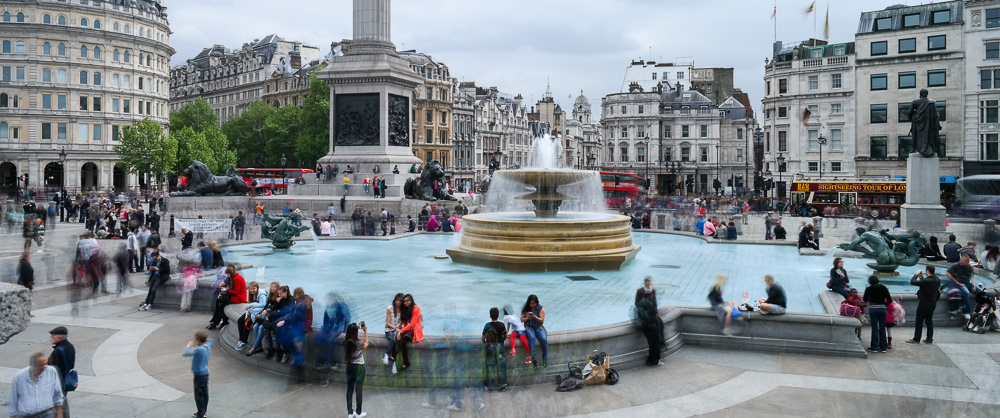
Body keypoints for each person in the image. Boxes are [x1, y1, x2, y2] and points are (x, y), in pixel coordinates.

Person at [6, 352, 64, 418]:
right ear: (33, 365)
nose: (45, 367)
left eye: (46, 363)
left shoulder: (51, 371)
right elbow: (13, 401)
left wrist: (59, 415)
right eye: (41, 365)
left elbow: (58, 395)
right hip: (26, 415)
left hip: (47, 413)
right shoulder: (19, 377)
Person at [182, 331, 214, 418]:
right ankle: (204, 411)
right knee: (204, 393)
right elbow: (210, 340)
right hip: (205, 373)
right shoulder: (207, 347)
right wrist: (200, 341)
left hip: (198, 374)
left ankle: (201, 413)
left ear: (198, 340)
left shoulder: (199, 349)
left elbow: (185, 353)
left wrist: (189, 345)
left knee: (199, 395)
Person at [906, 265, 941, 344]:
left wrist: (916, 274)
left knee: (919, 321)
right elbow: (926, 284)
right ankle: (929, 339)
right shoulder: (937, 280)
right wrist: (921, 277)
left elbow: (913, 282)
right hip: (932, 303)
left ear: (927, 271)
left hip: (924, 303)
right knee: (929, 321)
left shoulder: (927, 281)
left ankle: (916, 338)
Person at [47, 326, 74, 418]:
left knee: (59, 403)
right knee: (63, 400)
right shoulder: (70, 346)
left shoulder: (58, 351)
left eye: (53, 336)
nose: (51, 338)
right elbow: (72, 365)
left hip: (58, 380)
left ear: (59, 337)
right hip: (65, 378)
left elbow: (50, 367)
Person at [344, 323, 369, 418]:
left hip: (349, 367)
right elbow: (366, 344)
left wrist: (356, 328)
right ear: (356, 332)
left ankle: (350, 413)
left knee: (349, 389)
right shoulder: (359, 342)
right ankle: (359, 413)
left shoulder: (346, 341)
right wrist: (365, 331)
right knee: (358, 390)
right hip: (359, 368)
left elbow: (350, 333)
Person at [482, 307, 509, 392]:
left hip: (490, 347)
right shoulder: (501, 325)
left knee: (490, 366)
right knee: (501, 367)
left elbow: (483, 337)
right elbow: (505, 336)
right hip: (500, 346)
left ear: (490, 315)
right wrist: (501, 341)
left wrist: (485, 342)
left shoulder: (487, 325)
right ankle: (503, 386)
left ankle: (490, 387)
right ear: (498, 315)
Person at [863, 275, 891, 353]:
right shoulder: (883, 287)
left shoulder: (869, 289)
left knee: (874, 328)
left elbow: (865, 299)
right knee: (882, 327)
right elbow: (889, 300)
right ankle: (883, 347)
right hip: (882, 309)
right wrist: (884, 305)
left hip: (873, 309)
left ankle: (874, 347)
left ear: (870, 281)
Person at [235, 281, 267, 351]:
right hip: (253, 310)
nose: (252, 290)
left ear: (257, 288)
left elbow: (263, 304)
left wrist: (250, 305)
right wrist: (247, 314)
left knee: (247, 322)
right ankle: (241, 340)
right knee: (240, 320)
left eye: (254, 288)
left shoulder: (261, 294)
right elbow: (250, 307)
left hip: (261, 311)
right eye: (250, 289)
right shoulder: (252, 294)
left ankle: (244, 341)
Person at [396, 294, 423, 370]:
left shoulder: (416, 309)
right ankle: (397, 357)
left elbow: (412, 324)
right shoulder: (405, 310)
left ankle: (406, 362)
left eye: (407, 301)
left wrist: (401, 331)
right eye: (404, 301)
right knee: (398, 338)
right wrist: (401, 332)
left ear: (411, 300)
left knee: (404, 339)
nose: (405, 303)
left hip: (415, 329)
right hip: (408, 329)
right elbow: (405, 323)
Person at [946, 253, 976, 320]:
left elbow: (973, 276)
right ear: (961, 259)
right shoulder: (955, 265)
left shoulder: (969, 266)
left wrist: (974, 285)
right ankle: (966, 312)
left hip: (968, 283)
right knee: (966, 293)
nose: (966, 262)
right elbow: (947, 273)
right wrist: (957, 282)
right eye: (964, 261)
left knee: (981, 292)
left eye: (967, 261)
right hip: (960, 284)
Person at [521, 294, 548, 367]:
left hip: (538, 326)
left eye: (534, 303)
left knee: (543, 339)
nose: (532, 305)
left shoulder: (540, 308)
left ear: (536, 302)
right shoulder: (525, 308)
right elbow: (521, 319)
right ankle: (534, 358)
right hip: (529, 326)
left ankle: (545, 359)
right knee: (532, 338)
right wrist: (527, 318)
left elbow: (541, 321)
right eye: (531, 303)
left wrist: (534, 316)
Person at [383, 293, 404, 375]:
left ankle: (388, 356)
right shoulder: (390, 309)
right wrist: (395, 328)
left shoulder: (403, 311)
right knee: (394, 337)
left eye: (400, 301)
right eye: (397, 300)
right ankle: (391, 359)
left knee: (396, 338)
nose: (398, 302)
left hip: (398, 330)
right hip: (389, 329)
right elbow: (387, 322)